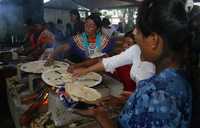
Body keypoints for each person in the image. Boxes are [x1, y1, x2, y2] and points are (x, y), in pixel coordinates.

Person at [71, 0, 200, 127]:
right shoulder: (176, 79)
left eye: (138, 29)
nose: (134, 33)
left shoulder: (160, 95)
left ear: (154, 40)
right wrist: (134, 99)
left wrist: (100, 116)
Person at [48, 14, 115, 63]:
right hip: (79, 70)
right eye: (86, 24)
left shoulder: (105, 41)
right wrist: (53, 54)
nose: (87, 27)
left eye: (91, 25)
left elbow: (109, 57)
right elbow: (63, 47)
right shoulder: (77, 39)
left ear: (97, 29)